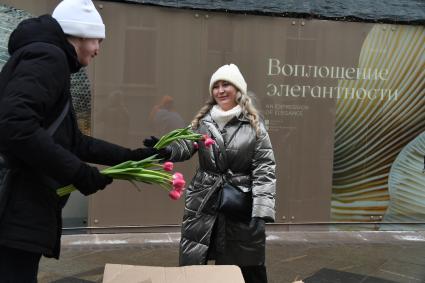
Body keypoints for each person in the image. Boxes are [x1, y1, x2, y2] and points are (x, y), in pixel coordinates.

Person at [0, 0, 167, 282]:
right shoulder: (48, 57)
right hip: (15, 207)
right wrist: (77, 172)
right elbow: (15, 124)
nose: (99, 49)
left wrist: (136, 156)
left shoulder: (48, 60)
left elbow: (77, 144)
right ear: (80, 34)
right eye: (97, 40)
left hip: (19, 209)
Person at [146, 64, 276, 283]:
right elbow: (185, 146)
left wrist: (261, 211)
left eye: (226, 84)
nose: (220, 90)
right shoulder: (203, 122)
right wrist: (165, 150)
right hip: (204, 200)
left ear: (238, 89)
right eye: (216, 86)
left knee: (246, 264)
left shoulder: (254, 125)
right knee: (196, 262)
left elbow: (265, 168)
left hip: (239, 203)